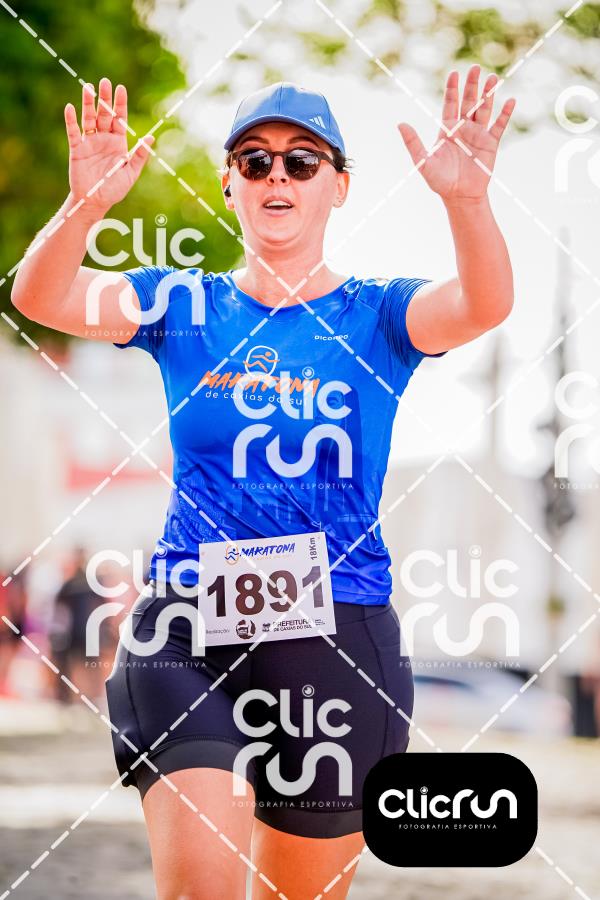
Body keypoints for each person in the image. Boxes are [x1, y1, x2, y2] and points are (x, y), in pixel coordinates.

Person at [12, 72, 515, 899]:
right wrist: (85, 207)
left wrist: (467, 201)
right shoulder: (182, 304)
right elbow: (42, 297)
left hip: (338, 641)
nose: (277, 175)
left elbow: (483, 304)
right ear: (230, 184)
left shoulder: (378, 316)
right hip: (186, 630)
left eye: (302, 161)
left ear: (338, 186)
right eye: (255, 160)